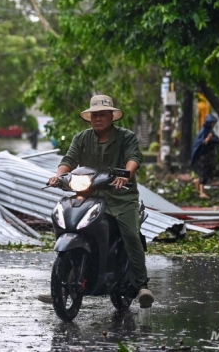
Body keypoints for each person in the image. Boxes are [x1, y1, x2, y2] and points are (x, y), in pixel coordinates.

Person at [37, 94, 154, 308]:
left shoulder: (126, 137)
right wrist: (58, 175)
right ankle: (61, 283)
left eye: (102, 115)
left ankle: (141, 285)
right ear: (89, 118)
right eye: (94, 115)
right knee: (68, 224)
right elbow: (68, 161)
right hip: (90, 195)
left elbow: (133, 158)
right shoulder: (81, 138)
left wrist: (126, 174)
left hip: (121, 197)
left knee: (130, 233)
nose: (98, 118)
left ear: (112, 116)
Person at [190, 114, 219, 199]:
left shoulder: (210, 131)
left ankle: (197, 182)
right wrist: (207, 140)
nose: (213, 125)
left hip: (208, 156)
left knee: (208, 172)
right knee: (203, 172)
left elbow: (215, 139)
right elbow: (201, 144)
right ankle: (202, 192)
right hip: (202, 156)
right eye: (212, 123)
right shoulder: (204, 131)